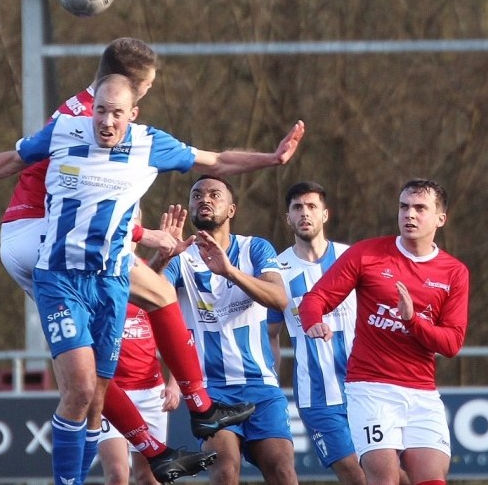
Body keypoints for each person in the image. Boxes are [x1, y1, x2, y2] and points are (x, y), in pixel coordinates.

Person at [0, 75, 305, 485]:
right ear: (91, 108)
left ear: (132, 114)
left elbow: (217, 161)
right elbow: (12, 160)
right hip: (60, 279)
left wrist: (271, 159)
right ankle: (108, 463)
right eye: (100, 110)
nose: (107, 121)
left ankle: (185, 425)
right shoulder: (65, 129)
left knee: (99, 390)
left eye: (117, 113)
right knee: (80, 391)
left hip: (111, 284)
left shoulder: (148, 142)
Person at [299, 178, 470, 485]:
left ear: (440, 218)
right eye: (404, 207)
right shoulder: (368, 254)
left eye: (420, 208)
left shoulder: (454, 272)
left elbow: (452, 343)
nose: (410, 215)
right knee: (384, 478)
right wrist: (313, 320)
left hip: (422, 393)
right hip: (371, 389)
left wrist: (413, 321)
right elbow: (315, 298)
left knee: (432, 478)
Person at [159, 175, 299, 485]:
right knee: (225, 469)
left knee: (283, 471)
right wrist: (160, 257)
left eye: (213, 194)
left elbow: (278, 297)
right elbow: (147, 295)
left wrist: (230, 272)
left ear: (231, 209)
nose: (204, 200)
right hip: (210, 389)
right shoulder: (181, 258)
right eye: (196, 195)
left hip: (260, 385)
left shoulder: (255, 249)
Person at [267, 181, 365, 484]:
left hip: (367, 386)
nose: (304, 213)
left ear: (325, 214)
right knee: (355, 476)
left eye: (311, 207)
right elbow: (272, 334)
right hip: (317, 396)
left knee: (392, 475)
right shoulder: (277, 270)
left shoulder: (353, 258)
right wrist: (272, 386)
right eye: (297, 208)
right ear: (288, 218)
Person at [98, 207, 183, 485]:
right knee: (117, 474)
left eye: (133, 216)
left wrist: (174, 382)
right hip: (112, 390)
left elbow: (173, 334)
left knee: (150, 475)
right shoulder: (97, 269)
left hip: (150, 392)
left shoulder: (152, 277)